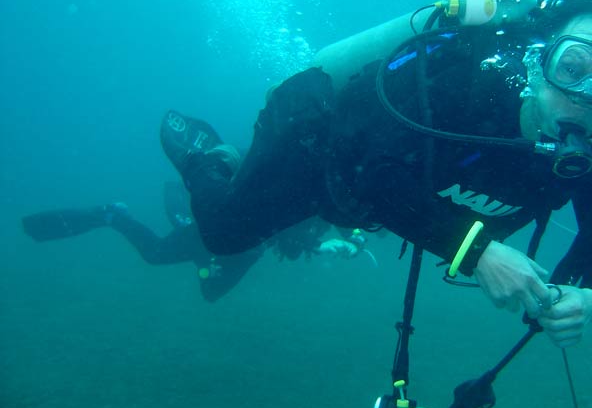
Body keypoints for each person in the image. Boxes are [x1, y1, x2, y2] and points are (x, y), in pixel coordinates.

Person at [160, 0, 592, 347]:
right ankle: (207, 156)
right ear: (537, 61)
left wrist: (590, 298)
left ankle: (239, 161)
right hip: (320, 137)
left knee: (312, 222)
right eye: (571, 68)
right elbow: (370, 170)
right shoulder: (470, 83)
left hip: (367, 195)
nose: (586, 96)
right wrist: (477, 252)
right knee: (224, 233)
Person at [21, 182, 365, 302]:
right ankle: (114, 216)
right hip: (223, 230)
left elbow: (339, 224)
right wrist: (322, 246)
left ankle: (198, 248)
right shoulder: (304, 194)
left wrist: (352, 241)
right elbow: (287, 233)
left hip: (245, 245)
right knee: (156, 253)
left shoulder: (324, 198)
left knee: (210, 292)